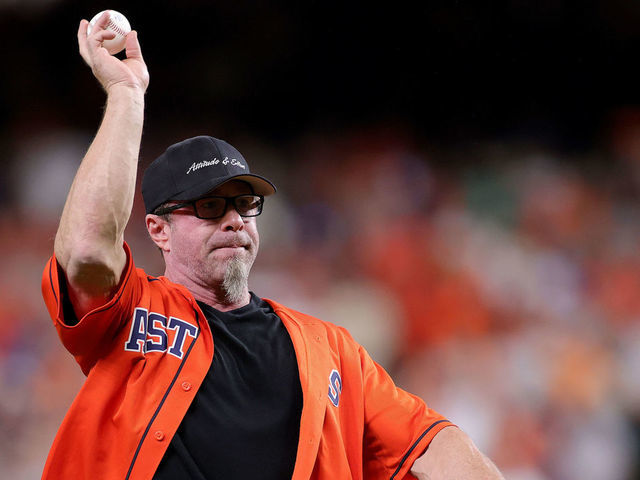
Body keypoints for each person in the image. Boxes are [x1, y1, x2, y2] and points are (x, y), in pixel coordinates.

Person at [40, 12, 505, 480]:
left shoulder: (331, 350)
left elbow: (431, 441)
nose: (233, 221)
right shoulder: (131, 311)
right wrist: (125, 96)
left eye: (243, 204)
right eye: (209, 207)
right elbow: (85, 251)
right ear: (159, 230)